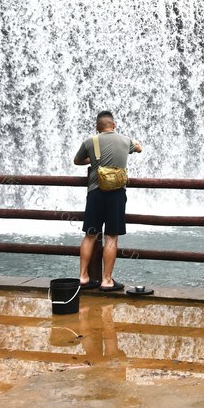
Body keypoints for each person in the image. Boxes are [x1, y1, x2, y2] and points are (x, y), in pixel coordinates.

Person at [73, 110, 142, 292]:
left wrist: (94, 160)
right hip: (117, 194)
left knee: (90, 235)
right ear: (114, 125)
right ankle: (107, 280)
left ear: (97, 127)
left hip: (95, 193)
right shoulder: (126, 140)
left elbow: (77, 161)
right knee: (111, 236)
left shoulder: (90, 141)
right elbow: (139, 148)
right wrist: (137, 146)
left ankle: (83, 277)